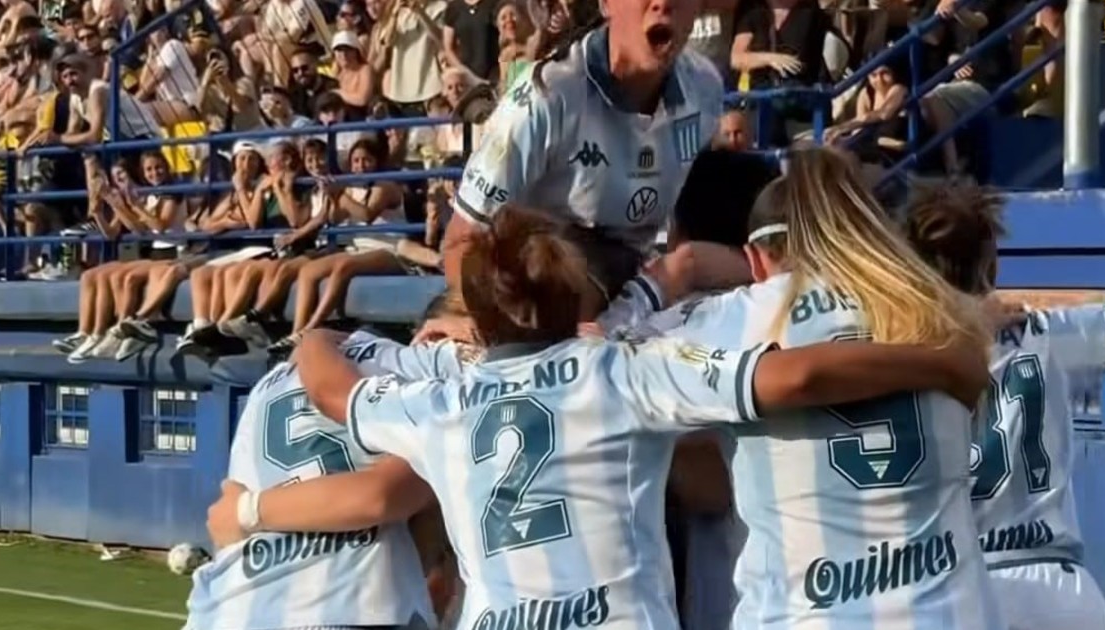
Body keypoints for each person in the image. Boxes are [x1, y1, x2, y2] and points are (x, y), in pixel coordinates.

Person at [208, 205, 989, 630]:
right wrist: (939, 363)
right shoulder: (619, 369)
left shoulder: (442, 404)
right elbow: (796, 375)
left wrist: (317, 335)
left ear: (480, 313)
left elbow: (334, 391)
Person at [601, 148, 1004, 628]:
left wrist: (675, 273)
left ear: (754, 259)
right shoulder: (940, 311)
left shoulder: (736, 318)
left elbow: (598, 355)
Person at [904, 184, 1105, 630]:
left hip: (961, 585)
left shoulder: (894, 357)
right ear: (992, 265)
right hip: (1060, 589)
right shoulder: (1043, 332)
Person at [441, 0, 727, 300]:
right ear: (606, 4)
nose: (663, 3)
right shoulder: (545, 96)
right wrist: (495, 317)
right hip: (542, 287)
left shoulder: (704, 87)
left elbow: (686, 229)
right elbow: (460, 243)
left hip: (638, 287)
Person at [183, 348, 436, 630]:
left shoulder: (270, 382)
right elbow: (382, 496)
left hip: (225, 607)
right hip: (342, 602)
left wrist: (243, 511)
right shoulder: (427, 379)